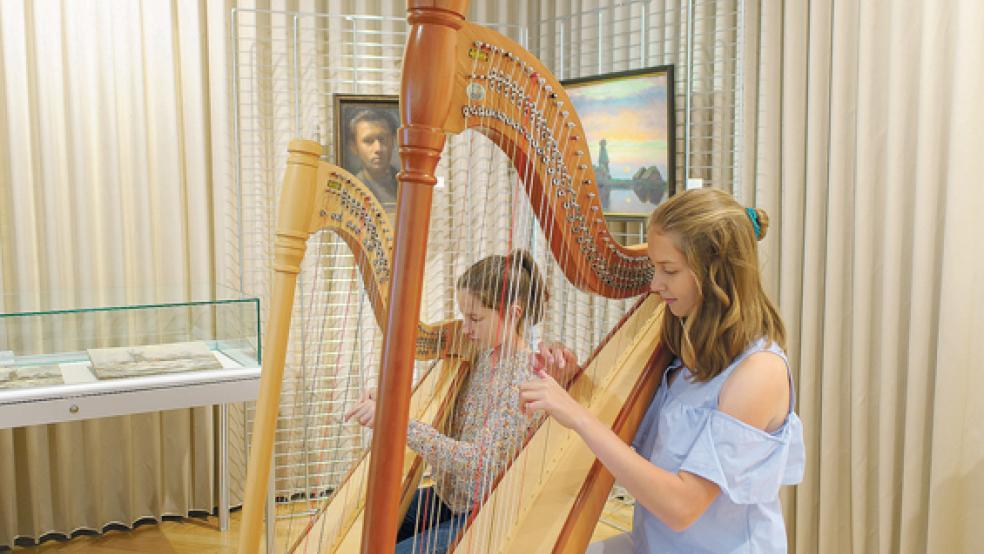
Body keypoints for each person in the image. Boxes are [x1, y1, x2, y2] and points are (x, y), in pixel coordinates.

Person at [519, 188, 805, 553]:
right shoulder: (681, 341)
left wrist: (576, 415)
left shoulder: (758, 373)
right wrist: (573, 382)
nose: (654, 285)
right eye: (654, 268)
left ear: (718, 274)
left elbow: (682, 506)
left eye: (669, 270)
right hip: (655, 542)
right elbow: (642, 426)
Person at [345, 250, 549, 554]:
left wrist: (395, 421)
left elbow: (476, 462)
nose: (464, 328)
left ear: (514, 313)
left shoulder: (524, 380)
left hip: (484, 509)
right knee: (367, 530)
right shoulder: (478, 354)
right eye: (463, 315)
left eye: (475, 318)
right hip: (447, 497)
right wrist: (390, 401)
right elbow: (443, 410)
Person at [347, 108, 399, 211]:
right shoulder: (351, 188)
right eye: (368, 141)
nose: (378, 149)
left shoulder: (405, 184)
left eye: (382, 139)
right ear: (354, 147)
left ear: (393, 141)